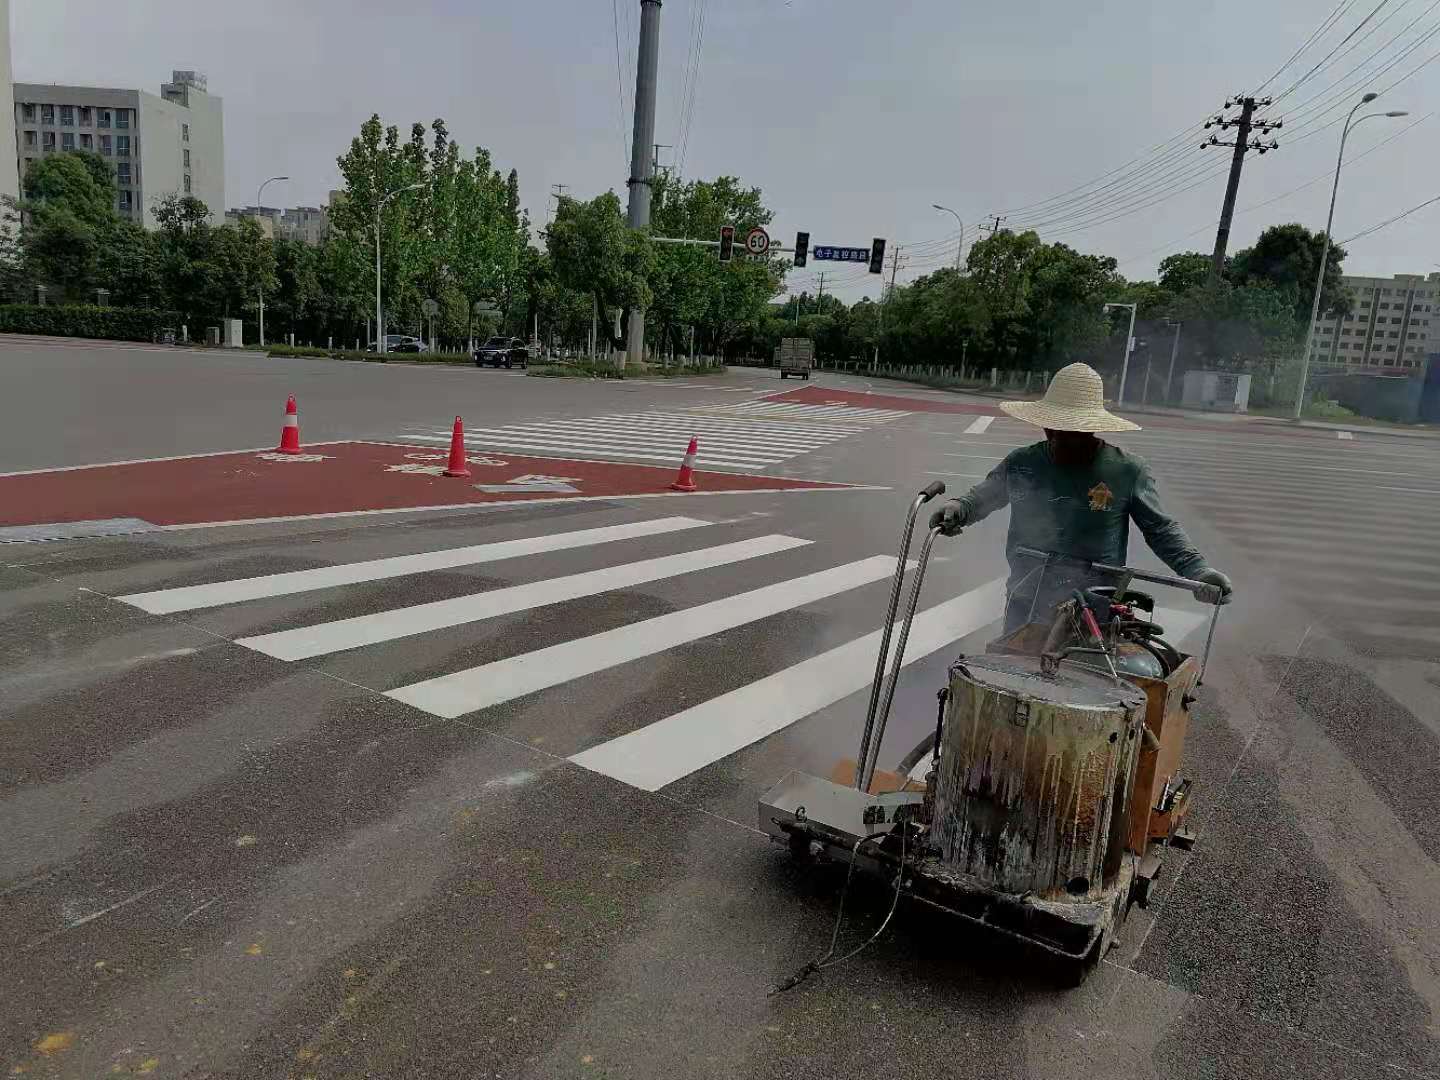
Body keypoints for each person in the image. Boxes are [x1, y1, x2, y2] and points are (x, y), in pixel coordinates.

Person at [930, 362, 1232, 632]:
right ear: (1047, 427)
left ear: (1093, 428)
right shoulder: (1023, 463)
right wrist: (959, 508)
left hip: (1094, 608)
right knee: (1011, 671)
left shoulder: (1126, 471)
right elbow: (983, 497)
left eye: (1076, 432)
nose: (1064, 439)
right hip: (1027, 598)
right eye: (1059, 430)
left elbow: (1161, 530)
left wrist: (1198, 571)